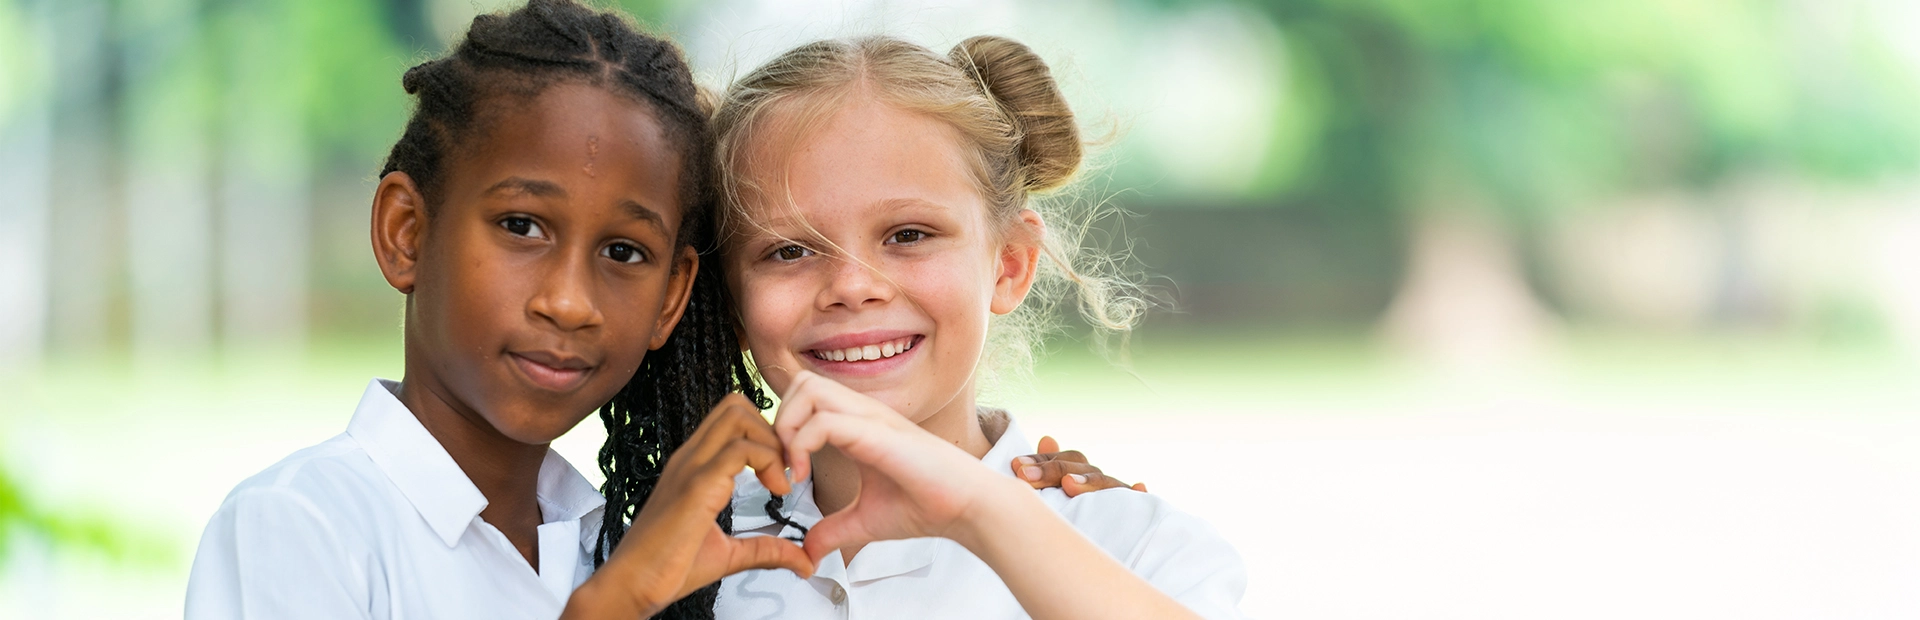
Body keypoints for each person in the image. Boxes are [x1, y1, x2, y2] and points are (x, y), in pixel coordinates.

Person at [183, 2, 811, 617]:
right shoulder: (301, 526)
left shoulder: (615, 541)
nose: (568, 303)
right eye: (522, 226)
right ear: (407, 232)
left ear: (670, 297)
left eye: (623, 251)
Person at [708, 35, 1247, 619]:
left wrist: (984, 510)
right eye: (789, 251)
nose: (852, 286)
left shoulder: (1139, 551)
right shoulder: (667, 551)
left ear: (1009, 264)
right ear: (730, 302)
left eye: (908, 235)